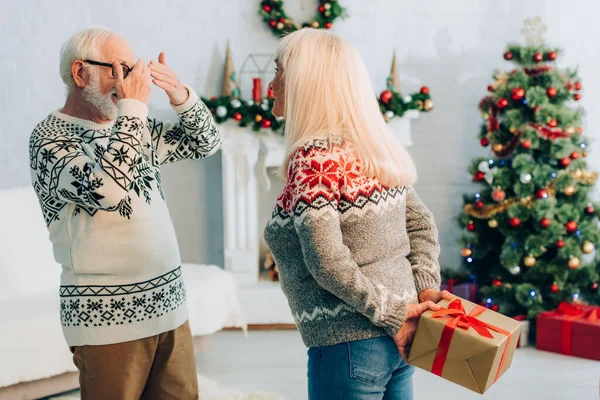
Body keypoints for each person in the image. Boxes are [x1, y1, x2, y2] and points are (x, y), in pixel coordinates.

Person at [28, 27, 220, 399]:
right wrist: (133, 109)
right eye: (119, 69)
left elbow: (207, 142)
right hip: (107, 322)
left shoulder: (133, 125)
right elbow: (107, 189)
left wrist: (179, 95)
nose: (130, 82)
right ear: (80, 73)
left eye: (132, 69)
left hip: (169, 308)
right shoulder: (50, 139)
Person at [264, 29, 451, 400]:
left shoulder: (314, 158)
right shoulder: (371, 147)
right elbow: (421, 223)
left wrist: (395, 314)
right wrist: (422, 290)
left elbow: (326, 260)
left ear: (305, 81)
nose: (271, 85)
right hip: (399, 339)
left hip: (350, 341)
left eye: (279, 71)